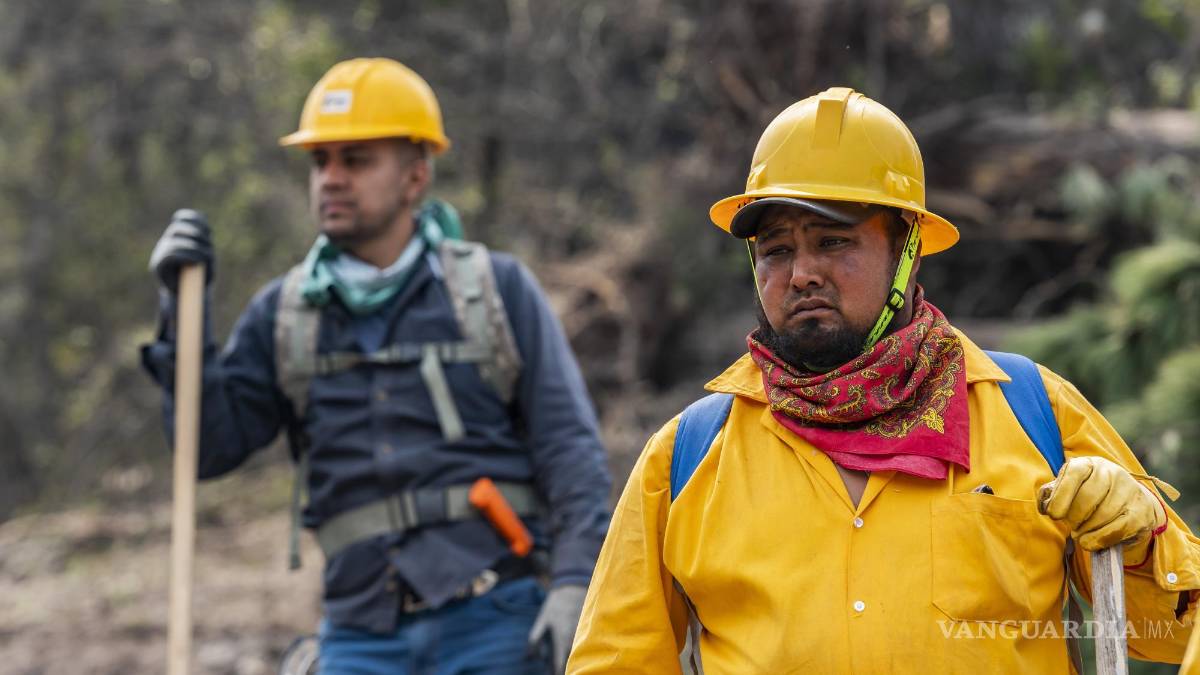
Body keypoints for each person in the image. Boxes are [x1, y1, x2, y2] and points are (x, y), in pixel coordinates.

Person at [567, 87, 1199, 673]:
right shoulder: (688, 457)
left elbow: (1177, 629)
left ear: (908, 252)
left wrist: (1142, 541)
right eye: (777, 250)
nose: (802, 273)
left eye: (833, 241)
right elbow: (614, 662)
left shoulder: (1032, 411)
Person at [142, 57, 611, 675]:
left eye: (356, 160)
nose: (331, 179)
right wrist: (183, 315)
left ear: (416, 177)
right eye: (320, 162)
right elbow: (206, 450)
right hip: (359, 636)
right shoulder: (284, 314)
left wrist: (575, 585)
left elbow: (570, 451)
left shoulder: (494, 291)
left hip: (497, 620)